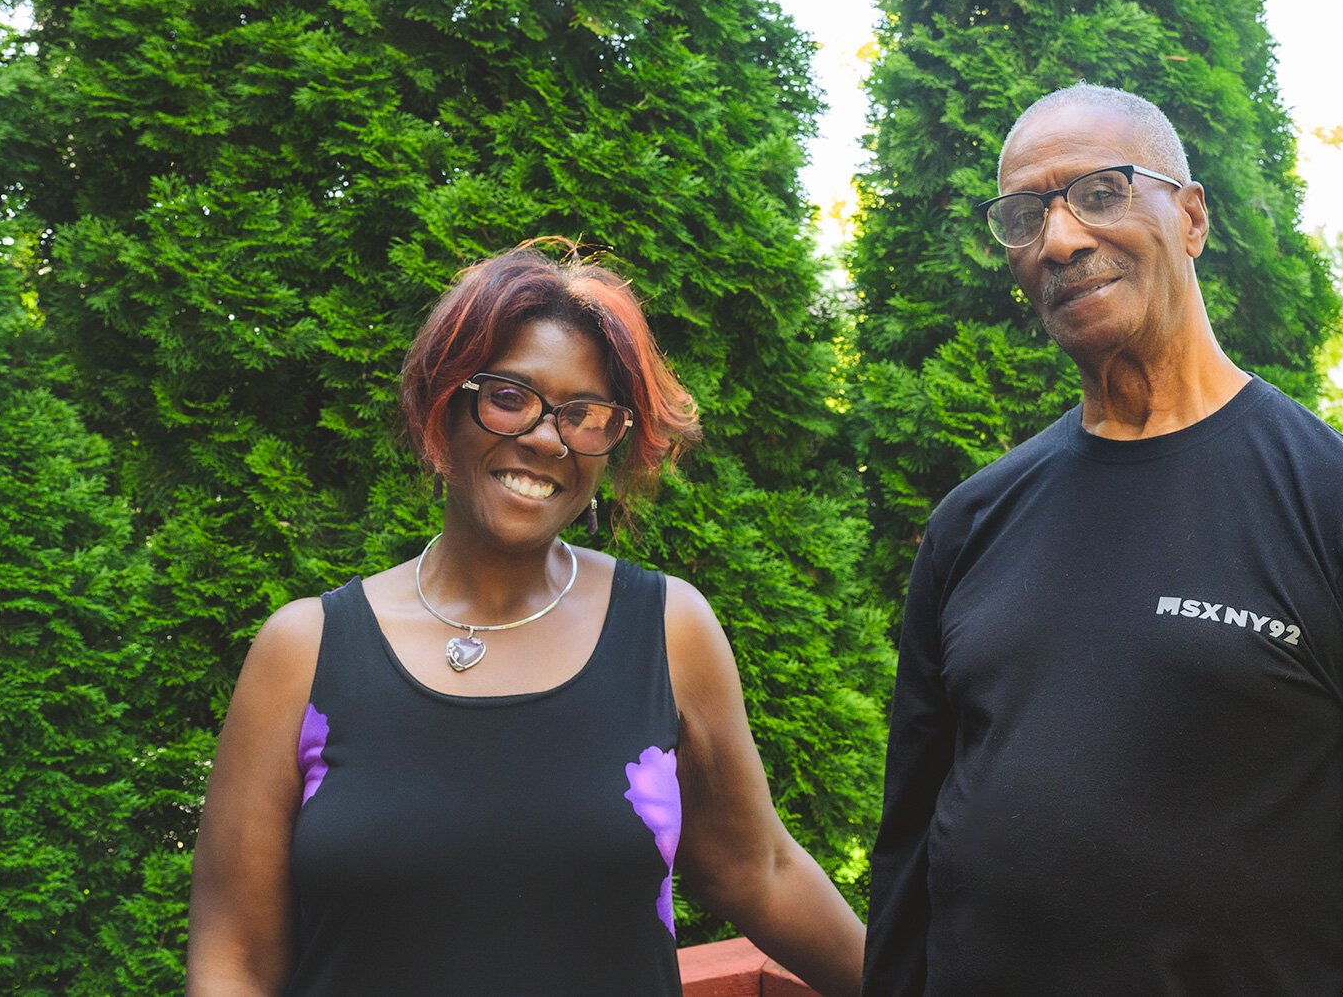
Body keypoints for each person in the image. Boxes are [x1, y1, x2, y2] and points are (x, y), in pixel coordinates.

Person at [863, 85, 1343, 995]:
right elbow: (908, 857)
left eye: (1102, 192)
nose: (1061, 240)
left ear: (1191, 217)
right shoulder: (971, 524)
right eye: (1026, 215)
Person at [187, 241, 864, 995]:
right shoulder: (303, 652)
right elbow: (233, 961)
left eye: (585, 414)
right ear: (444, 406)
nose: (547, 436)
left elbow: (760, 868)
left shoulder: (668, 632)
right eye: (510, 396)